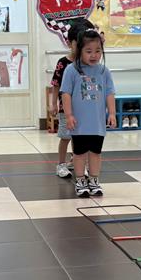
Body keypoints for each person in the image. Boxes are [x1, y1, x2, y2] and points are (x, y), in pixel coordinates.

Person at [60, 28, 116, 197]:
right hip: (79, 123)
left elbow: (110, 93)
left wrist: (112, 113)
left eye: (98, 51)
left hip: (97, 123)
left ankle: (94, 180)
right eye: (89, 51)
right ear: (80, 51)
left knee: (96, 153)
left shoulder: (104, 71)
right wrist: (69, 115)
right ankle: (80, 180)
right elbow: (66, 94)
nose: (94, 55)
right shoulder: (72, 70)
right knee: (79, 154)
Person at [49, 19, 93, 178]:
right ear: (70, 43)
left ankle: (78, 161)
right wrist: (53, 104)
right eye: (78, 44)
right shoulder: (63, 63)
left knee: (82, 137)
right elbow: (55, 84)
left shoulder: (87, 63)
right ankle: (61, 164)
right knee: (66, 136)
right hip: (65, 108)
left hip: (84, 108)